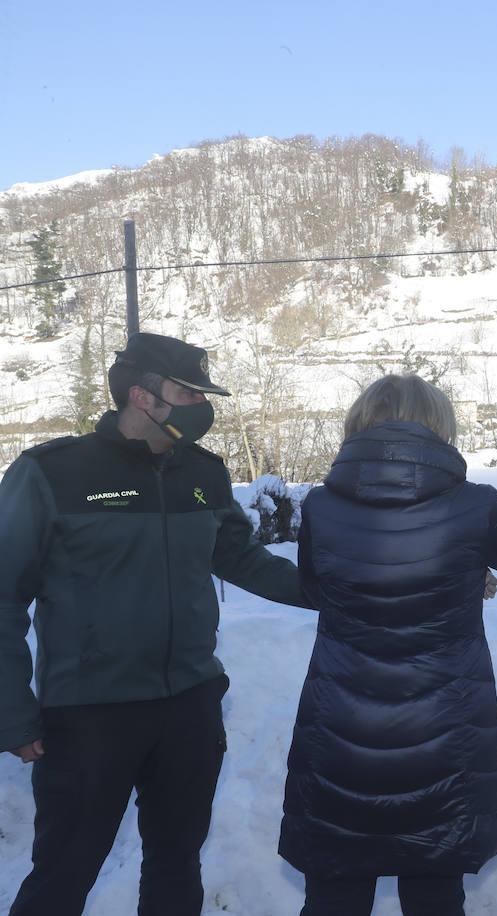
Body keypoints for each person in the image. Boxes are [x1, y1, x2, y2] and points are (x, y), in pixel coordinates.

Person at [0, 332, 309, 916]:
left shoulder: (204, 473)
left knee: (175, 867)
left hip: (189, 707)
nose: (202, 405)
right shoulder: (51, 473)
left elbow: (241, 558)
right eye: (187, 391)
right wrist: (12, 709)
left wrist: (344, 591)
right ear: (142, 397)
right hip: (89, 717)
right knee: (63, 876)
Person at [278, 375, 497, 916]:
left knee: (335, 892)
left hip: (341, 733)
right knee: (434, 893)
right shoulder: (475, 507)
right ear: (438, 430)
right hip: (443, 739)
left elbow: (320, 590)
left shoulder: (321, 506)